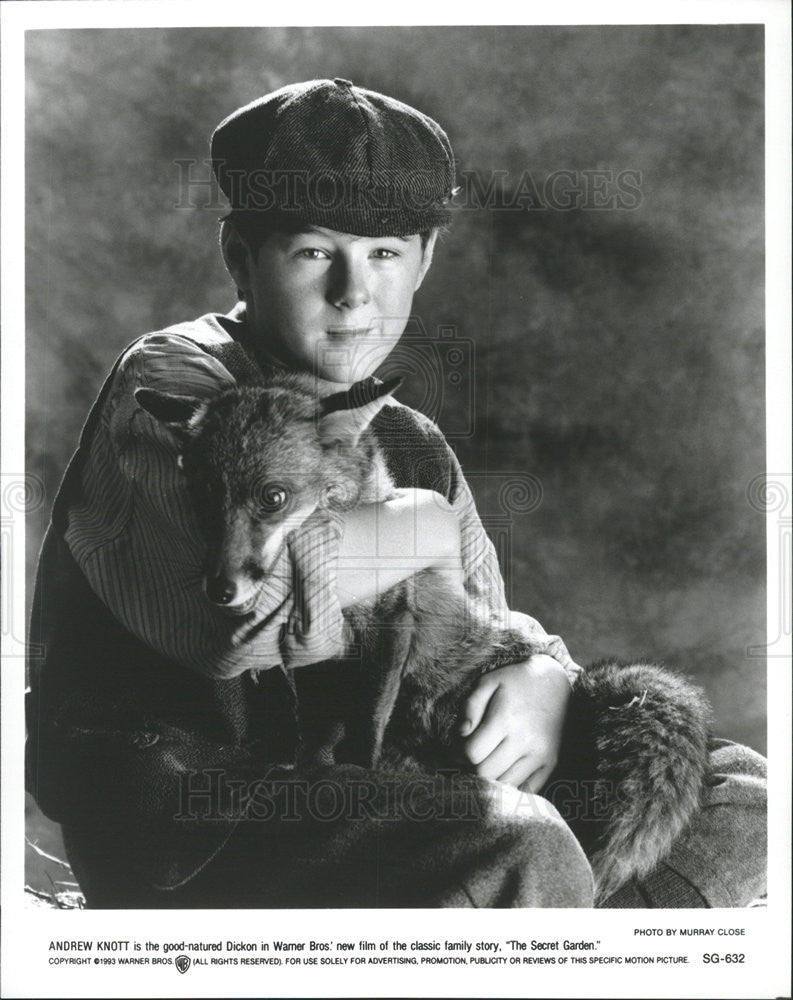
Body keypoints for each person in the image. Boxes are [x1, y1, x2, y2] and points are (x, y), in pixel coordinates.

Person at [26, 78, 766, 909]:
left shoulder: (405, 434)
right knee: (514, 838)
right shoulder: (177, 388)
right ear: (241, 257)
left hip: (393, 776)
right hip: (201, 815)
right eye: (313, 252)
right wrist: (418, 528)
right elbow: (237, 627)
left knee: (742, 798)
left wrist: (543, 676)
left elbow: (474, 616)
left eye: (383, 254)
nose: (354, 293)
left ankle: (548, 931)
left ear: (424, 260)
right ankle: (540, 919)